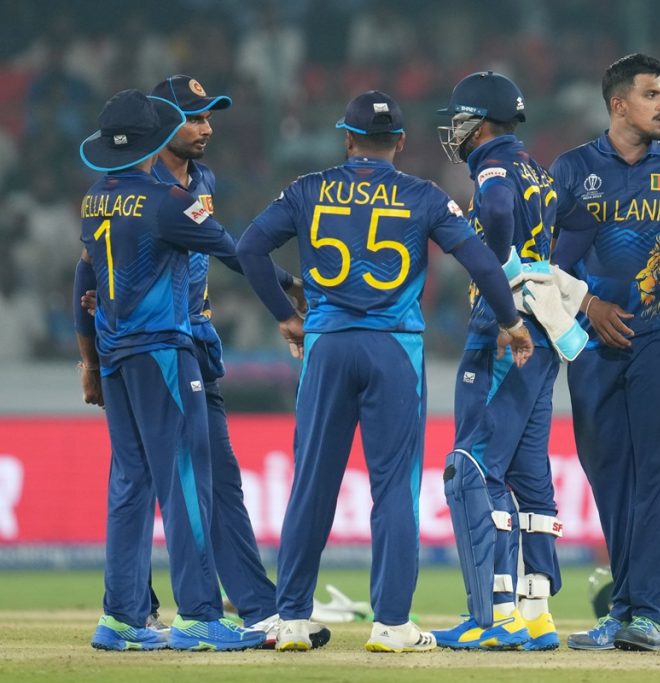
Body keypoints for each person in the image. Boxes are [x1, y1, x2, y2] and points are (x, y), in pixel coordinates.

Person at [236, 90, 533, 653]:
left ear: (346, 139)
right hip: (393, 350)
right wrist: (511, 320)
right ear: (399, 142)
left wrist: (287, 317)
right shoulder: (422, 195)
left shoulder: (308, 189)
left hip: (326, 346)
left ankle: (293, 618)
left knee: (311, 485)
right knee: (393, 488)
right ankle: (392, 624)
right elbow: (480, 261)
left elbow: (250, 250)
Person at [81, 75, 317, 648]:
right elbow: (234, 250)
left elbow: (85, 276)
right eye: (192, 118)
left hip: (122, 350)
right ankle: (198, 614)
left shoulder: (96, 195)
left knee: (134, 480)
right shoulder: (165, 200)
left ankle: (123, 616)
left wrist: (90, 352)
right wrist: (287, 299)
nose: (206, 128)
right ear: (158, 133)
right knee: (187, 478)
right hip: (165, 349)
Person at [550, 53, 660, 652]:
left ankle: (650, 614)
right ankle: (624, 607)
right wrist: (587, 309)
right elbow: (547, 261)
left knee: (658, 475)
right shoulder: (573, 169)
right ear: (618, 103)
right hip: (593, 342)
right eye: (653, 94)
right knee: (609, 480)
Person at [432, 71, 591, 652]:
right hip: (543, 338)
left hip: (506, 333)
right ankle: (536, 611)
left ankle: (493, 614)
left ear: (481, 123)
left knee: (475, 468)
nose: (455, 131)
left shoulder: (495, 170)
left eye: (459, 120)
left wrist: (498, 288)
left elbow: (496, 213)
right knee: (528, 475)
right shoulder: (537, 171)